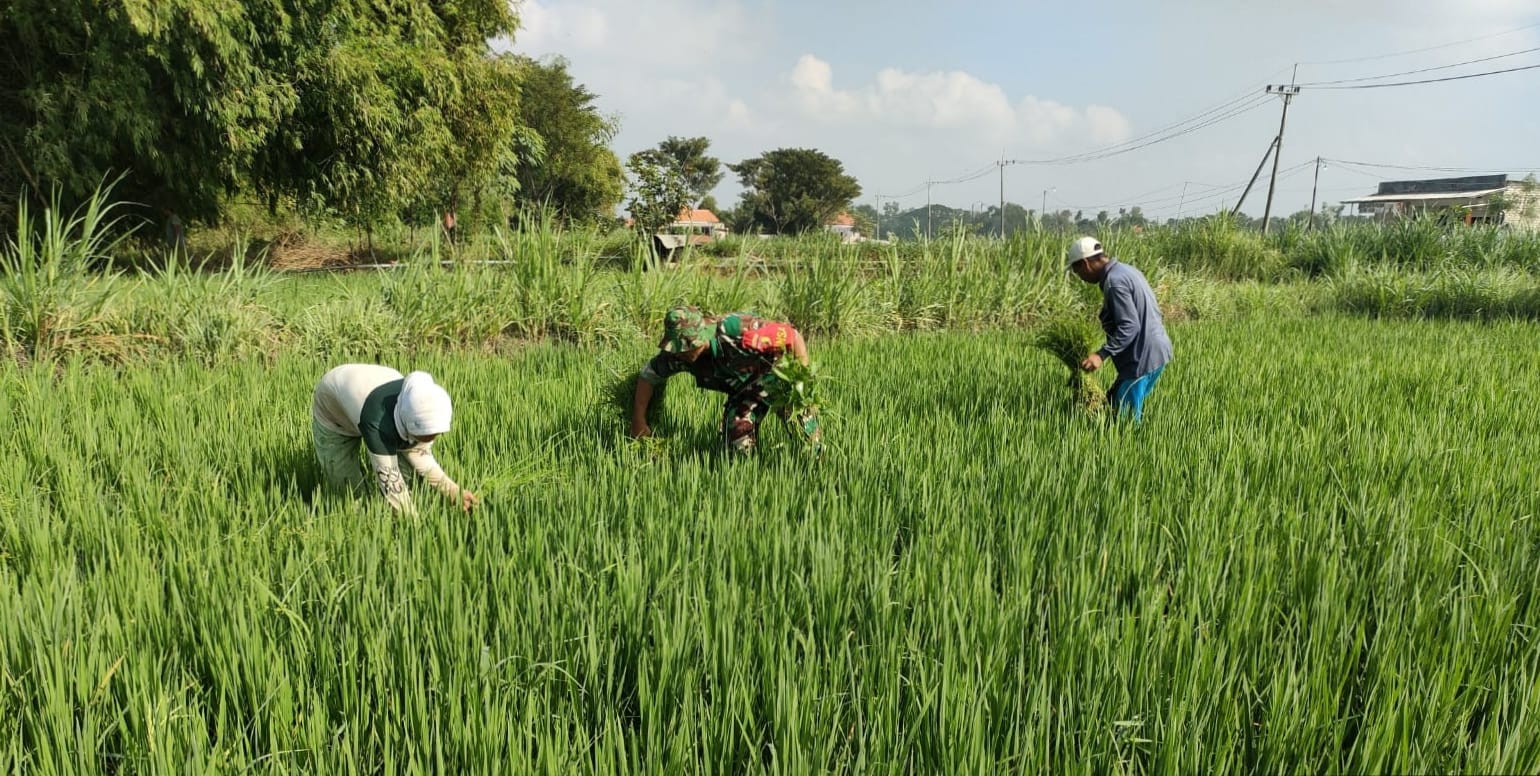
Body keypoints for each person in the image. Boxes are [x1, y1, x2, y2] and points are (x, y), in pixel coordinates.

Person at [630, 306, 821, 455]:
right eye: (678, 348)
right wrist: (638, 419)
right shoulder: (680, 356)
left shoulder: (735, 329)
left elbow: (793, 336)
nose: (681, 353)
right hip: (746, 391)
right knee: (738, 437)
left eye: (687, 347)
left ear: (701, 337)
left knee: (804, 430)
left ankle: (817, 469)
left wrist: (801, 381)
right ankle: (749, 482)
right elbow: (649, 375)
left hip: (779, 377)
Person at [311, 365, 478, 513]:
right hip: (333, 411)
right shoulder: (377, 422)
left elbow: (419, 454)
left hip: (364, 391)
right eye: (423, 437)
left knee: (410, 478)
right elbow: (391, 484)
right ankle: (361, 523)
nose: (428, 440)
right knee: (348, 489)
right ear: (408, 423)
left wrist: (453, 491)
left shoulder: (424, 405)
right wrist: (414, 528)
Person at [1067, 236, 1172, 421]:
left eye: (1077, 272)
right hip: (1154, 352)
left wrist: (1101, 354)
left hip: (1141, 359)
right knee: (1114, 405)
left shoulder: (1114, 282)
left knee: (1126, 424)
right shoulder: (1127, 270)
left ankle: (1135, 449)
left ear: (1085, 264)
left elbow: (1130, 325)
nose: (1079, 277)